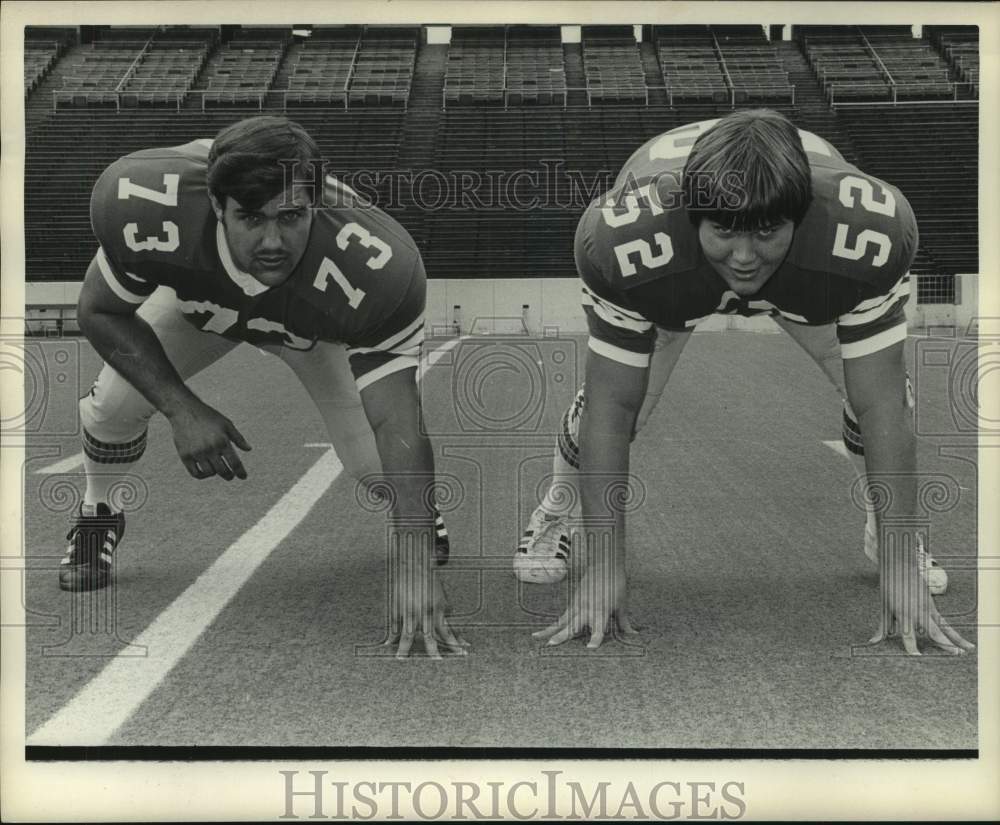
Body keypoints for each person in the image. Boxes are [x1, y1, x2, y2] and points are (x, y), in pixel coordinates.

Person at [514, 109, 972, 655]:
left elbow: (884, 406)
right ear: (691, 216)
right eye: (725, 230)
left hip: (805, 272)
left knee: (880, 389)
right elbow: (610, 408)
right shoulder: (628, 237)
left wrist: (899, 561)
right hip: (681, 274)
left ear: (800, 215)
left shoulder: (860, 232)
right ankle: (558, 509)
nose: (745, 257)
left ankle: (890, 531)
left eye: (766, 231)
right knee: (617, 405)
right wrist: (606, 568)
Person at [64, 115, 463, 658]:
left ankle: (421, 513)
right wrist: (183, 409)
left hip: (310, 327)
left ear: (316, 205)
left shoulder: (376, 265)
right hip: (198, 309)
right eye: (250, 218)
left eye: (292, 216)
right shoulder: (147, 200)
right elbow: (100, 310)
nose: (273, 241)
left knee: (377, 465)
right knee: (112, 406)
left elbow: (397, 418)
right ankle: (97, 512)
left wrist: (415, 562)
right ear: (216, 204)